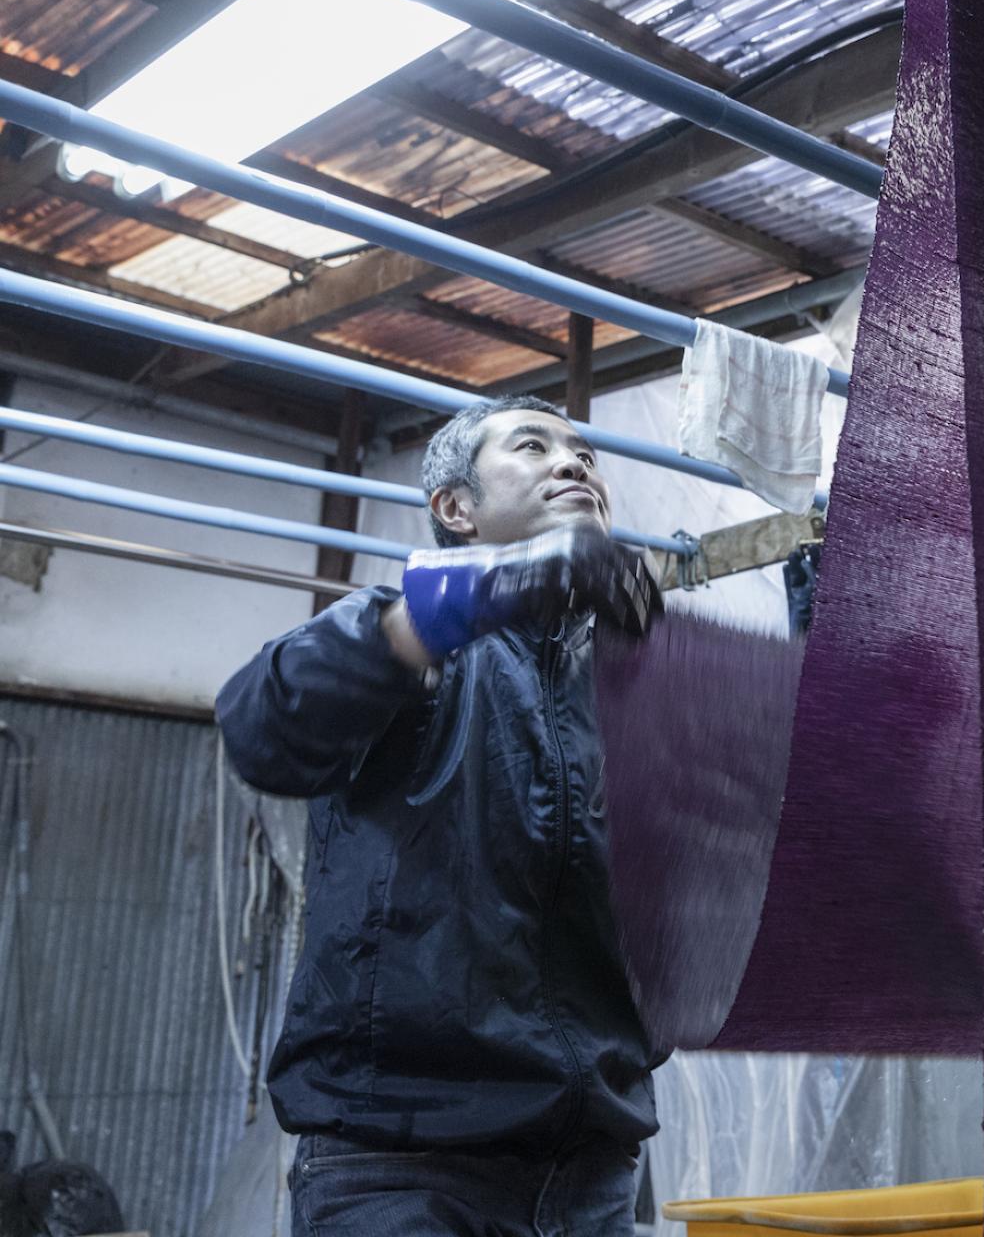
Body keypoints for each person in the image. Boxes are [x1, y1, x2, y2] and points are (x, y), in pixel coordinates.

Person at [217, 396, 664, 1236]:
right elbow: (260, 724)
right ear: (456, 509)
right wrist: (488, 592)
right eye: (533, 447)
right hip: (405, 1168)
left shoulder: (624, 692)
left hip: (596, 1170)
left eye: (584, 455)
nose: (575, 464)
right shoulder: (407, 641)